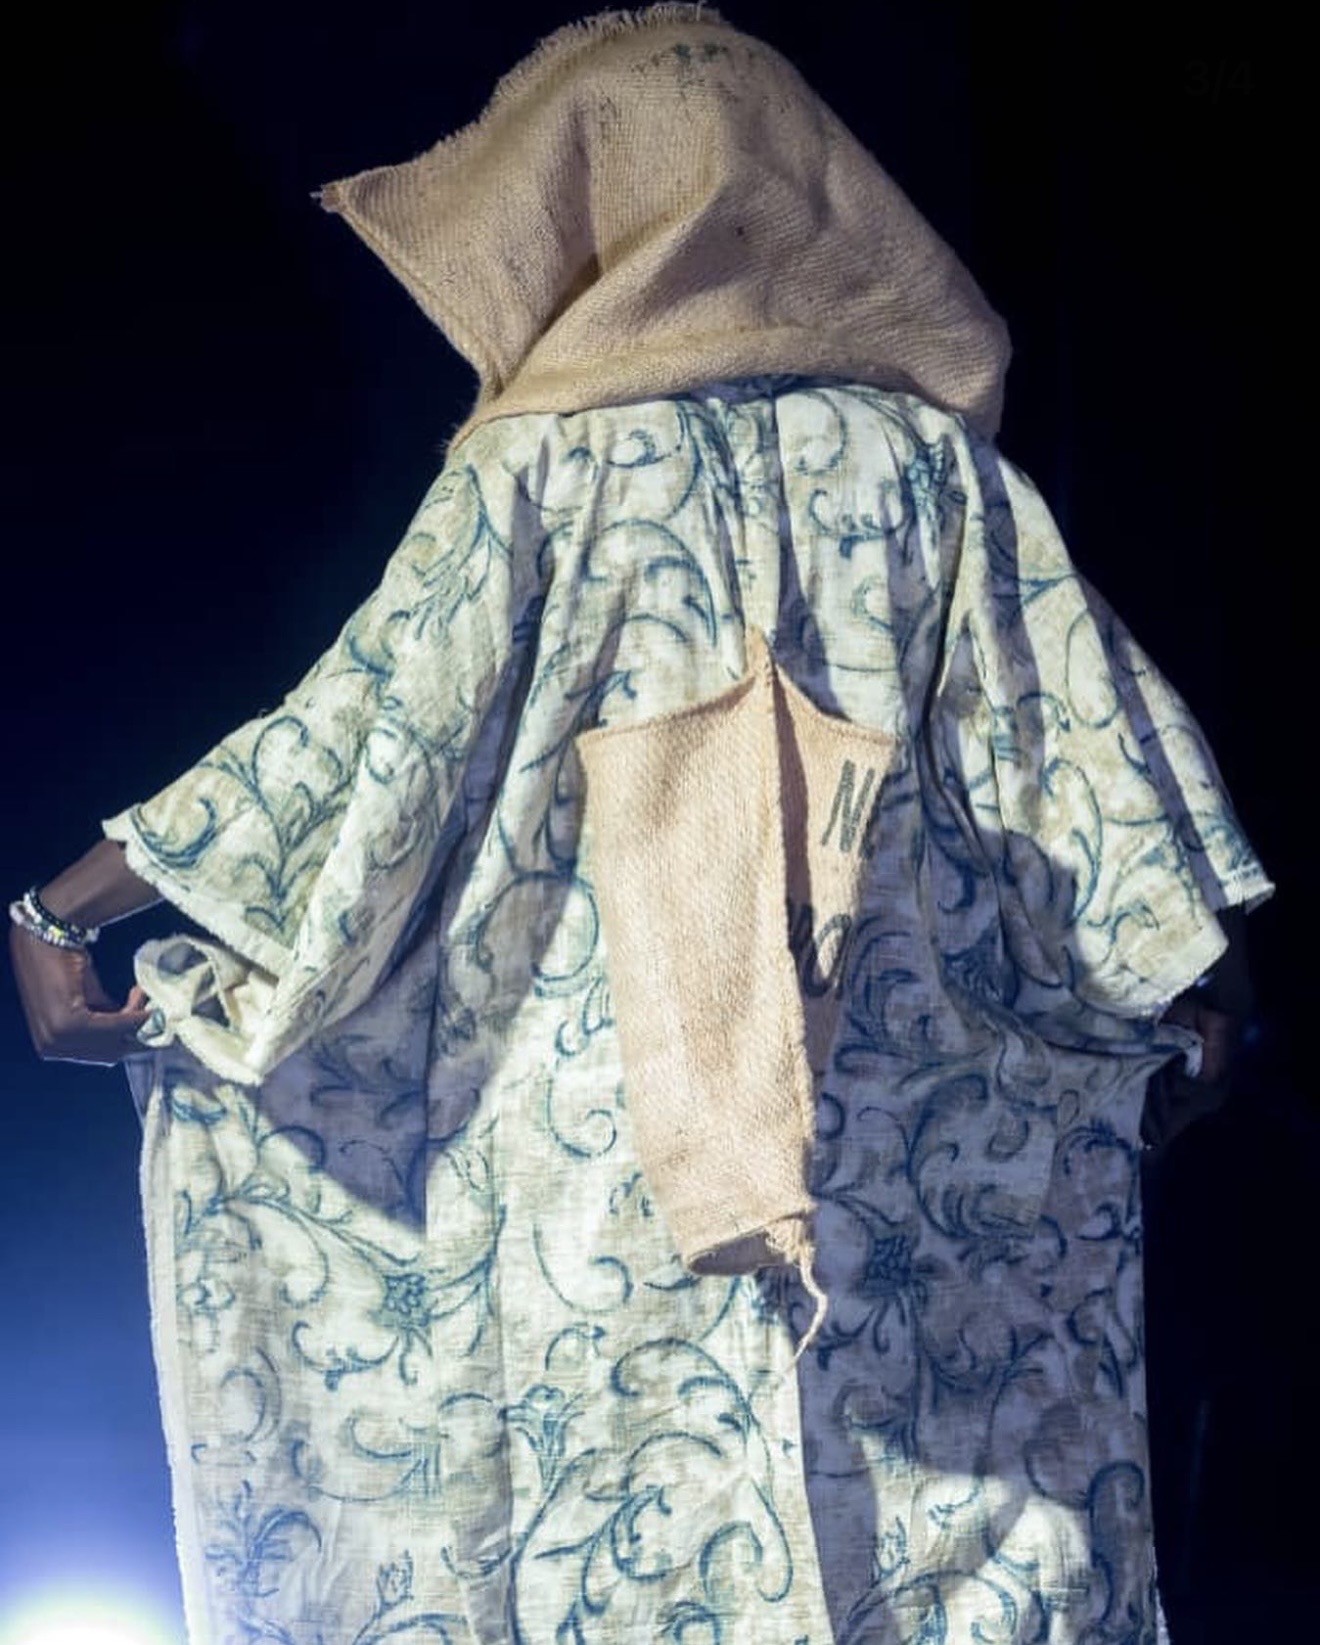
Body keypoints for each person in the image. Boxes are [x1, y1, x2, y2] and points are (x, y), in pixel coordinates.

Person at [9, 8, 1270, 1642]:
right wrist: (1204, 993)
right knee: (934, 1544)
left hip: (599, 1180)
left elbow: (358, 745)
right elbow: (1096, 776)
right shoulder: (928, 477)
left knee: (617, 1540)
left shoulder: (538, 476)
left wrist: (65, 910)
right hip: (888, 1153)